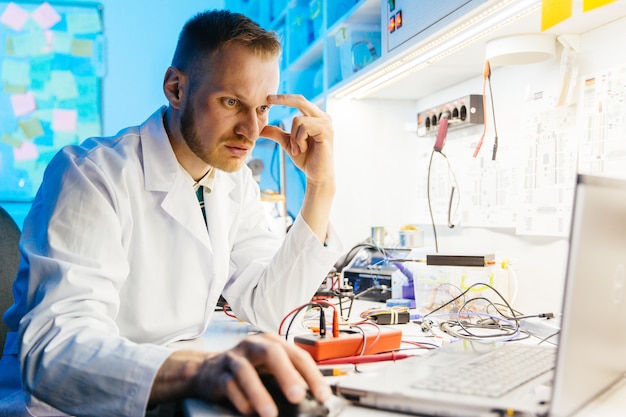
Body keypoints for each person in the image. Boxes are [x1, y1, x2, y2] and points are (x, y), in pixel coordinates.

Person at [0, 9, 343, 417]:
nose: (251, 131)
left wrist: (321, 187)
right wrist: (199, 372)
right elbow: (55, 351)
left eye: (263, 109)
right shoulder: (91, 175)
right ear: (176, 89)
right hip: (63, 407)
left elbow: (271, 307)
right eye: (231, 102)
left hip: (166, 393)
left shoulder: (233, 182)